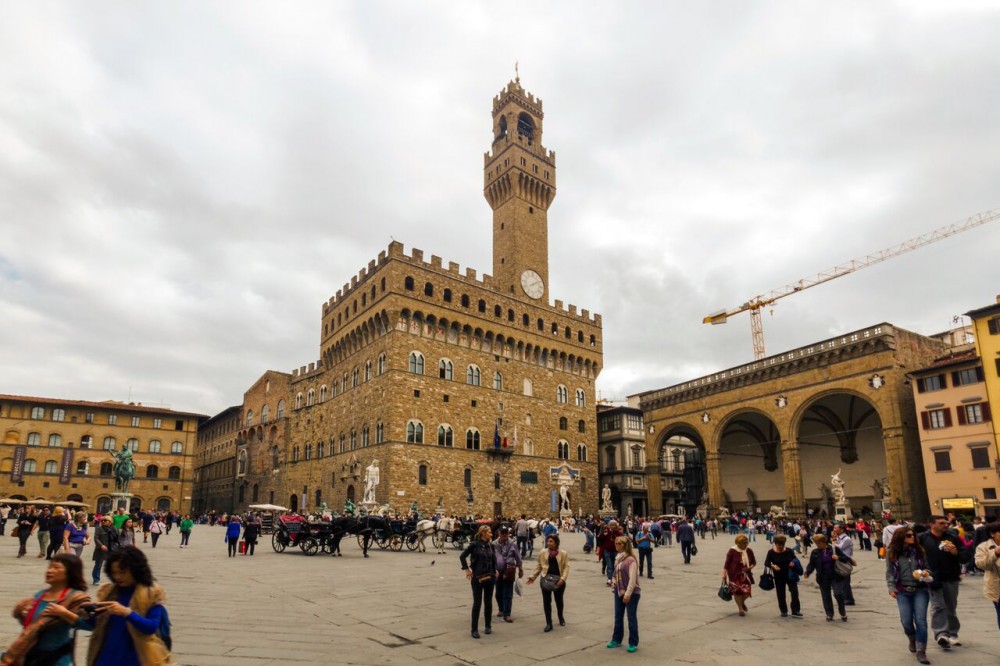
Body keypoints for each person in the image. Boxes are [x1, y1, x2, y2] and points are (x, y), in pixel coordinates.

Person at [80, 546, 174, 665]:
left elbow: (151, 627)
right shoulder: (109, 591)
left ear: (135, 570)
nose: (118, 577)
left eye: (123, 572)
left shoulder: (151, 594)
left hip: (134, 658)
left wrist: (127, 613)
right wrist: (86, 614)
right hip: (105, 657)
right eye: (114, 573)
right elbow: (98, 625)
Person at [2, 553, 91, 665]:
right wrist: (23, 612)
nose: (49, 571)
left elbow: (91, 625)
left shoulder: (76, 598)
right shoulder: (40, 595)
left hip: (57, 659)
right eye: (49, 566)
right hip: (32, 656)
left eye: (56, 567)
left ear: (70, 573)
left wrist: (65, 613)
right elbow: (32, 626)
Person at [918, 515, 965, 649]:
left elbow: (965, 556)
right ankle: (941, 634)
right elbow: (915, 554)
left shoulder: (953, 537)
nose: (945, 525)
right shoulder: (922, 538)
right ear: (932, 524)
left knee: (951, 606)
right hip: (932, 577)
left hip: (950, 576)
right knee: (938, 606)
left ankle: (953, 633)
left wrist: (956, 553)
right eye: (941, 523)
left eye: (946, 523)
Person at [885, 526, 931, 663]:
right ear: (900, 537)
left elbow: (928, 567)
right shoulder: (892, 553)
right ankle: (912, 638)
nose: (912, 538)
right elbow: (889, 572)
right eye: (909, 536)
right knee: (906, 621)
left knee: (921, 621)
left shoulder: (919, 550)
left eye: (913, 535)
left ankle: (921, 650)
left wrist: (926, 573)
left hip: (920, 589)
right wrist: (891, 587)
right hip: (903, 590)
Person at [459, 525, 497, 639]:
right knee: (477, 603)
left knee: (488, 602)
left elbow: (493, 559)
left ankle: (488, 625)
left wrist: (495, 570)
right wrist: (467, 569)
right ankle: (474, 629)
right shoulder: (474, 545)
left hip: (489, 577)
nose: (491, 534)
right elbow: (462, 556)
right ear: (483, 534)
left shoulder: (491, 546)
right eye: (489, 532)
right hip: (477, 577)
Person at [805, 533, 854, 622]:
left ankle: (842, 612)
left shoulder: (834, 549)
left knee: (838, 594)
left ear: (824, 542)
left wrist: (838, 557)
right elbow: (811, 564)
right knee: (826, 596)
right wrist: (807, 572)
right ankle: (829, 614)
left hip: (835, 576)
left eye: (819, 543)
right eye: (816, 543)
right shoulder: (815, 552)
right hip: (823, 577)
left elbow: (845, 558)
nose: (817, 545)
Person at [526, 534, 570, 632]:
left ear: (556, 543)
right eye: (548, 541)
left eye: (551, 541)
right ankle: (548, 623)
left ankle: (560, 617)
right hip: (545, 579)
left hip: (558, 580)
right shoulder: (543, 552)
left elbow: (566, 567)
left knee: (559, 601)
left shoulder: (563, 553)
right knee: (546, 602)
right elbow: (539, 566)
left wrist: (562, 579)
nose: (548, 543)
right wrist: (532, 577)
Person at [607, 536, 640, 653]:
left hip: (631, 592)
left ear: (624, 545)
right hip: (619, 590)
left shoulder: (631, 560)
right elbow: (616, 573)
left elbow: (633, 579)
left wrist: (628, 593)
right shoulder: (618, 558)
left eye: (618, 543)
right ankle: (616, 639)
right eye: (616, 543)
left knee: (631, 617)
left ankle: (633, 642)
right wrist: (613, 582)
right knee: (618, 616)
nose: (616, 545)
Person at [764, 534, 802, 617]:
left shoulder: (789, 551)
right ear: (775, 543)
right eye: (779, 545)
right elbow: (766, 563)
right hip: (778, 576)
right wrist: (773, 565)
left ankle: (795, 610)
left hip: (790, 575)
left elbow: (794, 559)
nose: (781, 546)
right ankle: (783, 610)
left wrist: (793, 563)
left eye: (782, 544)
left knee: (794, 592)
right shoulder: (771, 552)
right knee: (781, 593)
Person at [973, 521, 1000, 631]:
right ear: (992, 534)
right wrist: (995, 553)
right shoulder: (983, 547)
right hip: (997, 587)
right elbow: (981, 564)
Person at [493, 526, 522, 622]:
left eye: (506, 534)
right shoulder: (494, 544)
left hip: (509, 571)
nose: (505, 536)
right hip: (498, 571)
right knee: (498, 593)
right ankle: (501, 609)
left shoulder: (513, 544)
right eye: (503, 534)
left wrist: (520, 569)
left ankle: (507, 614)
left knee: (508, 593)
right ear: (499, 534)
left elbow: (517, 557)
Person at [722, 534, 756, 616]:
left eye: (746, 543)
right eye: (743, 543)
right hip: (734, 575)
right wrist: (724, 574)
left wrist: (749, 567)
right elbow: (726, 564)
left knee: (746, 592)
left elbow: (754, 562)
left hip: (746, 574)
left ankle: (742, 602)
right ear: (738, 544)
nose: (745, 545)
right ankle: (740, 608)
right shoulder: (732, 551)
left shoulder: (749, 550)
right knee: (737, 592)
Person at [832, 524, 856, 605]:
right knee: (841, 581)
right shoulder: (839, 537)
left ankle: (849, 599)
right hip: (840, 560)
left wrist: (834, 540)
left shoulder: (846, 539)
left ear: (842, 530)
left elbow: (838, 548)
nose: (834, 529)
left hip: (845, 561)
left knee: (845, 581)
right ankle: (845, 597)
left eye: (836, 528)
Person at [92, 516, 120, 586]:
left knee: (113, 565)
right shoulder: (99, 529)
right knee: (98, 565)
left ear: (110, 522)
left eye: (105, 520)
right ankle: (96, 579)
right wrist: (101, 545)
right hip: (101, 549)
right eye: (102, 520)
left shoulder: (115, 529)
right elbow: (96, 538)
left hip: (112, 549)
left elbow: (117, 539)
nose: (103, 522)